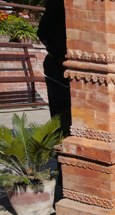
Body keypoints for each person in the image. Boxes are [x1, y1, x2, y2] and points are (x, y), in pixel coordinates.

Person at [38, 0, 70, 136]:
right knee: (61, 117)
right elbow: (44, 32)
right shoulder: (58, 4)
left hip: (73, 64)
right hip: (58, 66)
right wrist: (62, 55)